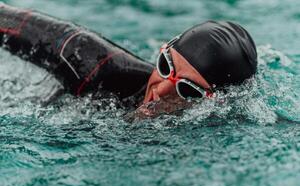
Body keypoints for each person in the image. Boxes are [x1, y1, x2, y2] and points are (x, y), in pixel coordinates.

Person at [0, 4, 257, 117]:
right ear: (163, 49)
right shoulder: (96, 66)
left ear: (219, 101)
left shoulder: (226, 128)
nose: (161, 89)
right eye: (166, 67)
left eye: (187, 89)